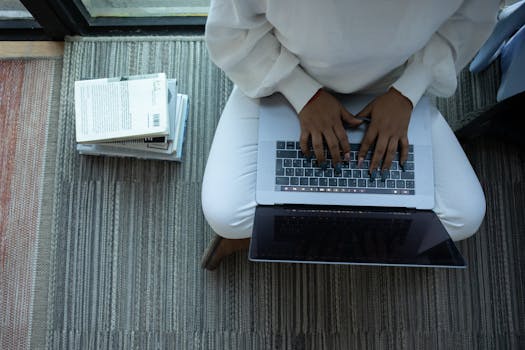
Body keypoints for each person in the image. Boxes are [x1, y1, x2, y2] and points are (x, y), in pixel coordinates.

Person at [200, 0, 499, 269]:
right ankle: (363, 235)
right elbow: (232, 32)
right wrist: (302, 93)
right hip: (285, 78)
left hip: (395, 84)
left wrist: (407, 92)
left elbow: (467, 21)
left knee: (465, 216)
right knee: (225, 215)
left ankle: (285, 234)